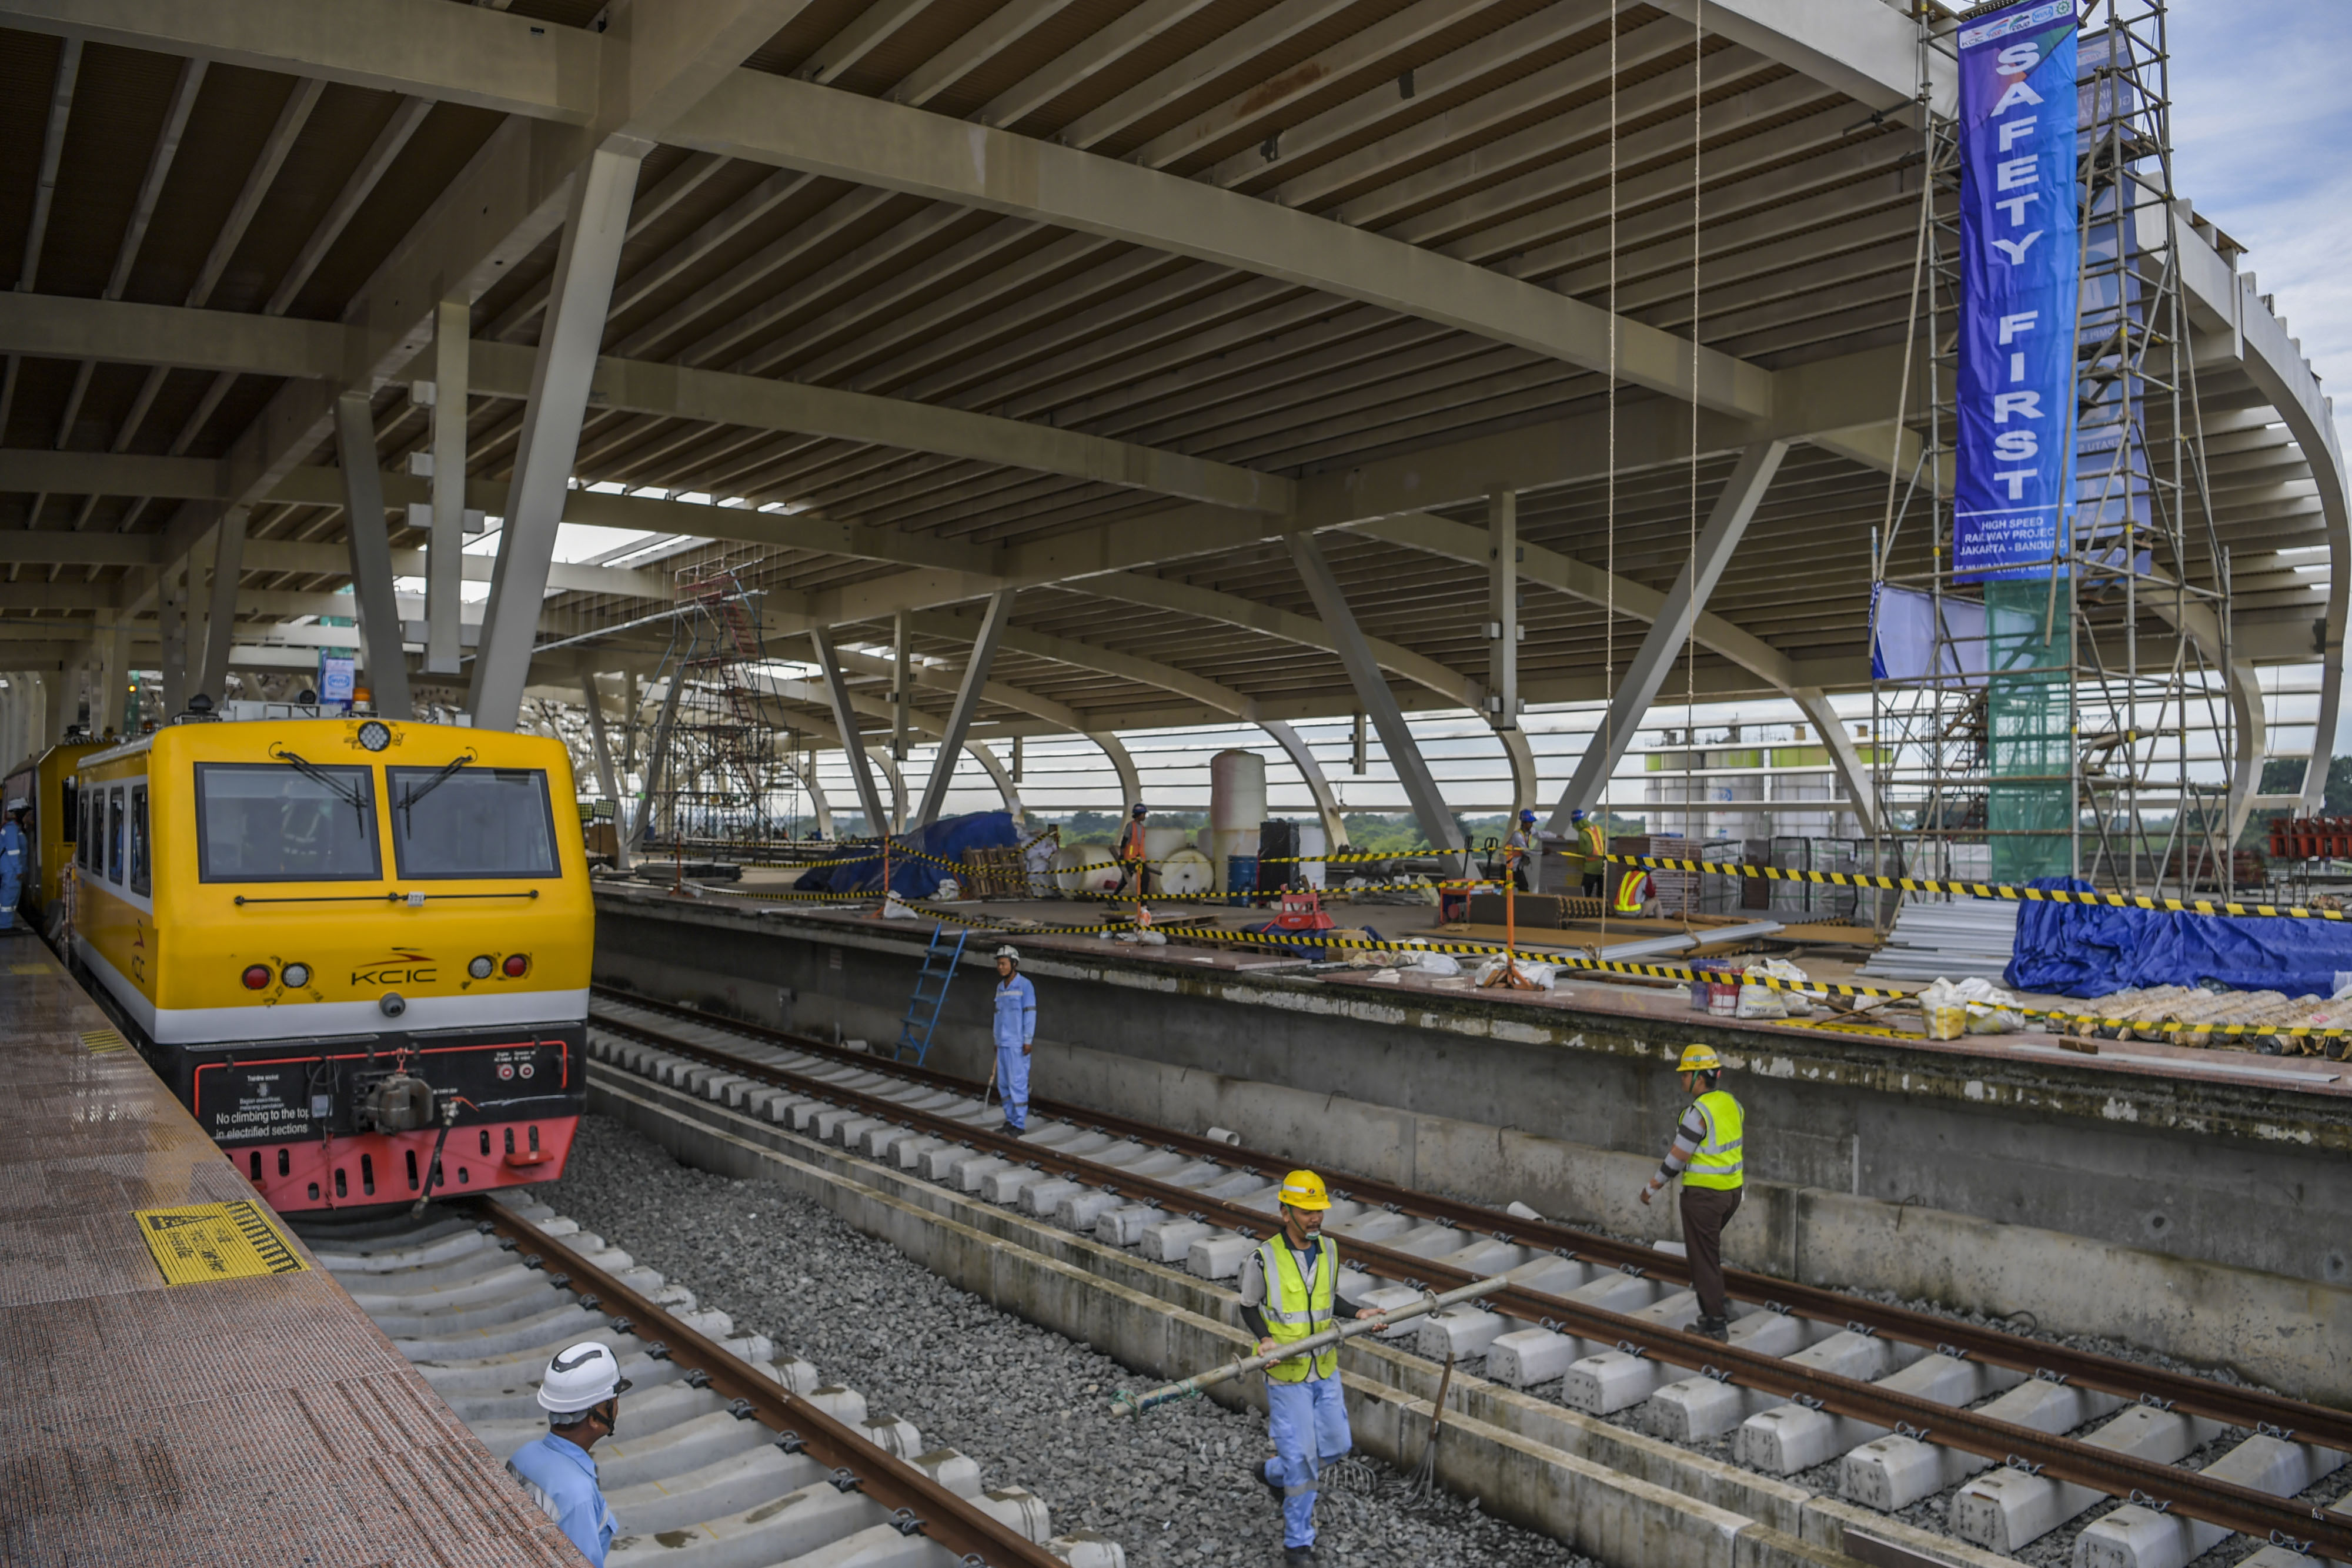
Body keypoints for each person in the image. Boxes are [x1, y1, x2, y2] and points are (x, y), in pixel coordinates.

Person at [1239, 1169, 1387, 1566]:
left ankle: (1275, 1472)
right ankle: (1297, 1544)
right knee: (1303, 1462)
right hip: (1287, 1377)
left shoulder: (1330, 1249)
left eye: (1319, 1210)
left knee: (1337, 1444)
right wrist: (1265, 1339)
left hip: (1324, 1368)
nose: (1316, 1218)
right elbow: (1248, 1307)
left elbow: (1329, 1298)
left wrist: (1358, 1312)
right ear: (1285, 1212)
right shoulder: (1263, 1258)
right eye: (1307, 1211)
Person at [1639, 1044, 1743, 1342]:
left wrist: (1652, 1187)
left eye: (1685, 1074)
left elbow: (1678, 1157)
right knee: (1708, 1253)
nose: (1682, 1079)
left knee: (1702, 1259)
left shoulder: (1697, 1114)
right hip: (1732, 1194)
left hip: (1705, 1197)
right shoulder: (1732, 1104)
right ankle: (1719, 1305)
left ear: (1700, 1077)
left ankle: (1714, 1324)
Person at [509, 1340, 631, 1565]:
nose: (617, 1407)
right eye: (614, 1400)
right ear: (594, 1419)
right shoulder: (579, 1497)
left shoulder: (523, 1456)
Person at [991, 945, 1036, 1134]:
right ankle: (1010, 1120)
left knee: (1017, 1084)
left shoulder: (1025, 986)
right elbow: (997, 1016)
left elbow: (1030, 1014)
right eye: (999, 964)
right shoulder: (1000, 988)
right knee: (1003, 1085)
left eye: (1004, 964)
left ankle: (1019, 1124)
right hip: (1003, 1043)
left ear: (1014, 964)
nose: (1001, 967)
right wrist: (996, 1040)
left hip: (1017, 1044)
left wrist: (1028, 1040)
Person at [0, 798, 28, 933]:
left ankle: (7, 923)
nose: (29, 817)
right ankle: (4, 925)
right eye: (27, 814)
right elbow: (13, 851)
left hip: (10, 868)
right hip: (11, 869)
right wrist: (18, 870)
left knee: (11, 896)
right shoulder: (12, 829)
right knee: (9, 896)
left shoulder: (14, 829)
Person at [1114, 803, 1152, 897]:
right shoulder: (1131, 826)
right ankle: (1113, 898)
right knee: (1126, 880)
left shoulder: (1142, 828)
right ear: (1138, 814)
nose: (1145, 816)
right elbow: (1124, 841)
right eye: (1144, 814)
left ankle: (1144, 902)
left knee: (1146, 878)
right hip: (1130, 858)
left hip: (1140, 858)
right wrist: (1122, 855)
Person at [1573, 807, 1606, 900]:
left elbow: (1582, 851)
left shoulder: (1583, 834)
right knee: (1601, 895)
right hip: (1603, 866)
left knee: (1585, 894)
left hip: (1590, 868)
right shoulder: (1599, 828)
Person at [1503, 808, 1538, 892]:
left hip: (1516, 867)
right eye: (1530, 823)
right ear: (1524, 823)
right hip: (1509, 867)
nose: (1532, 825)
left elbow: (1540, 834)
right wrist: (1542, 853)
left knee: (1522, 887)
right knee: (1518, 887)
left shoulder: (1527, 833)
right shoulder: (1517, 835)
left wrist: (1555, 836)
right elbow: (1526, 851)